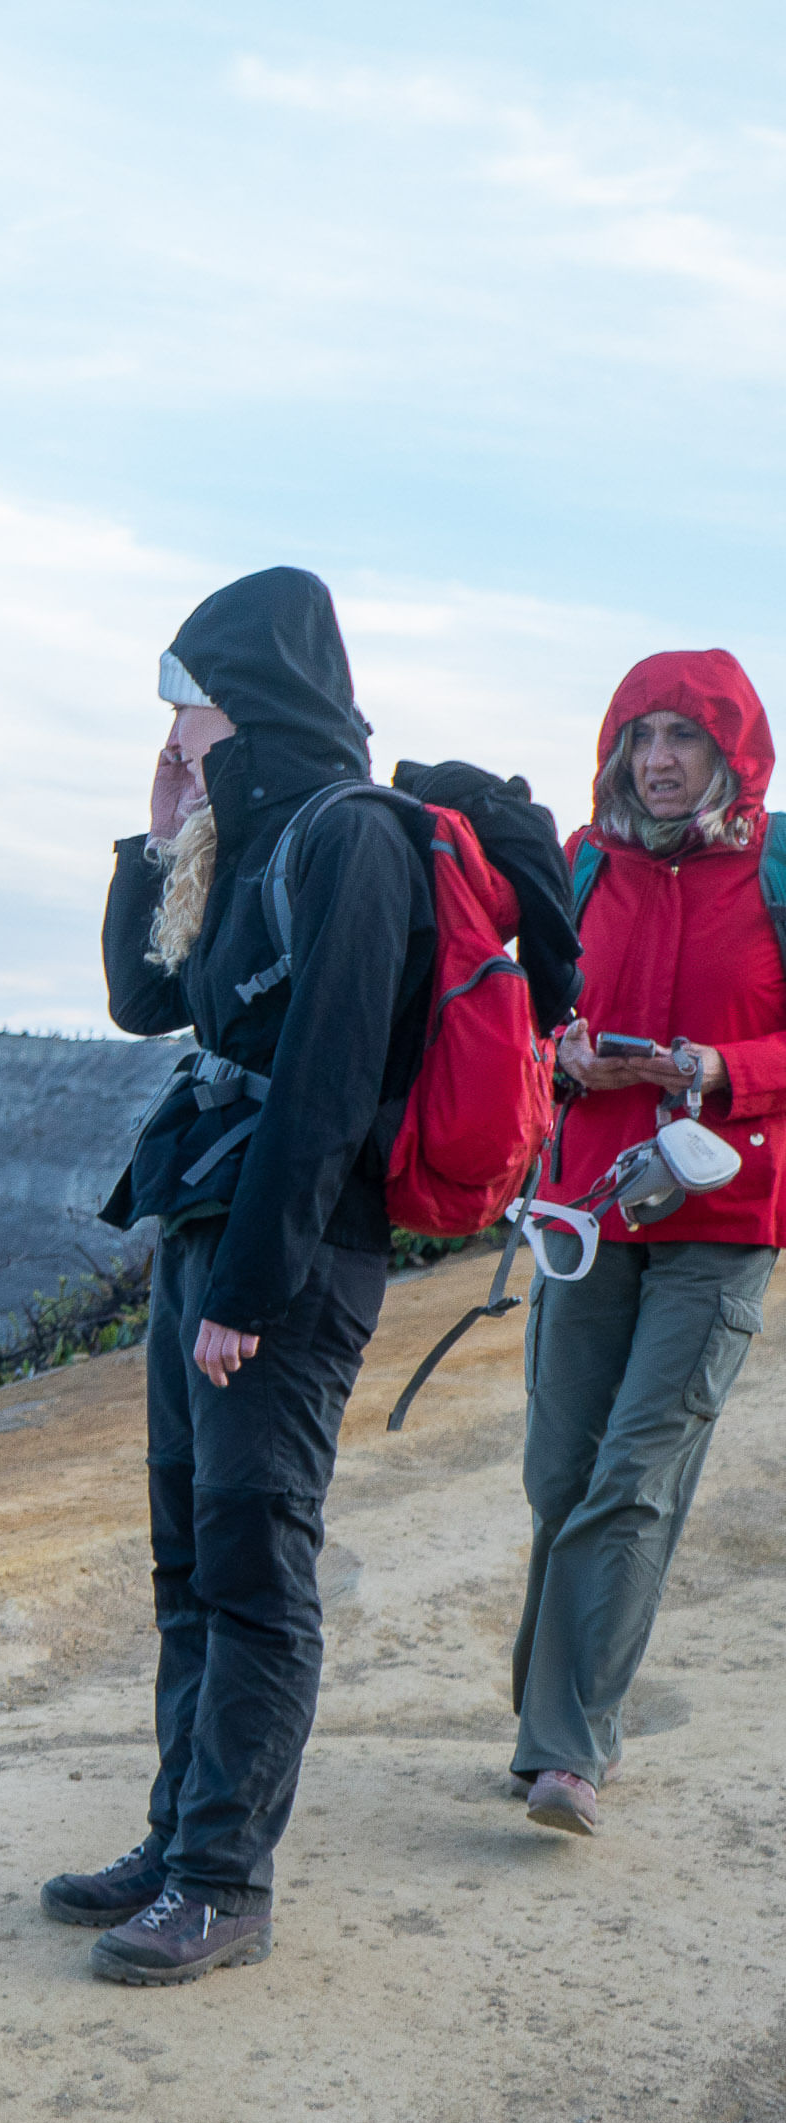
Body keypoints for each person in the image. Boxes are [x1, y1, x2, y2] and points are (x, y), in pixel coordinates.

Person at [46, 567, 435, 1985]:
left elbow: (325, 1091)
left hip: (282, 1251)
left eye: (183, 695)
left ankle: (222, 1881)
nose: (168, 722)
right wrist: (155, 834)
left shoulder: (351, 837)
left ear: (248, 693)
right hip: (206, 1228)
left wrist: (246, 1296)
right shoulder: (243, 832)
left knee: (254, 1562)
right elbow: (147, 1002)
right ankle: (175, 1838)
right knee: (187, 1556)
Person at [512, 651, 784, 1836]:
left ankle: (567, 1750)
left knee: (633, 1475)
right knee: (558, 1472)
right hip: (589, 1207)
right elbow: (526, 1023)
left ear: (731, 752)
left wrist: (727, 1071)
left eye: (684, 736)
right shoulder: (582, 869)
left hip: (721, 1217)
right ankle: (540, 1724)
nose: (659, 759)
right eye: (640, 735)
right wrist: (564, 1053)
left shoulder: (774, 869)